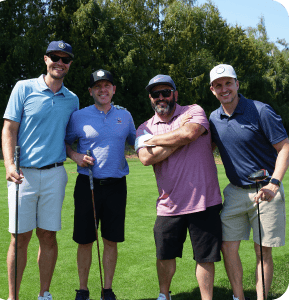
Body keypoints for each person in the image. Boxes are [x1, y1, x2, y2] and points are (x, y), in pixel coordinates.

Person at [2, 41, 79, 300]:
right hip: (23, 174)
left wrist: (76, 155)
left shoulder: (72, 99)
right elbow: (9, 129)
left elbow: (67, 139)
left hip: (55, 174)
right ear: (46, 59)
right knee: (20, 238)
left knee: (47, 236)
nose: (60, 62)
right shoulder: (23, 88)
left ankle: (44, 293)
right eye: (55, 57)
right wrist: (9, 165)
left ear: (69, 64)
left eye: (65, 58)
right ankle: (14, 297)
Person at [135, 74, 223, 300]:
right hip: (168, 204)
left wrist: (155, 140)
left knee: (205, 257)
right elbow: (145, 158)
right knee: (165, 255)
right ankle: (164, 295)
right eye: (156, 94)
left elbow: (190, 132)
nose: (161, 97)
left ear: (175, 93)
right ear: (150, 98)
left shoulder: (193, 111)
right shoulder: (144, 127)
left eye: (166, 92)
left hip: (203, 200)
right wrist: (180, 139)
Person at [209, 64, 289, 300]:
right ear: (212, 90)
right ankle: (238, 297)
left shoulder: (261, 111)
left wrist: (274, 183)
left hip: (266, 190)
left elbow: (284, 147)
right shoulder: (213, 118)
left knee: (262, 251)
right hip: (234, 192)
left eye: (228, 83)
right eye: (218, 85)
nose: (224, 89)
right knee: (227, 247)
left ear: (237, 84)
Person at [65, 69, 136, 300]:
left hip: (116, 185)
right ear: (90, 91)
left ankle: (107, 289)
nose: (103, 90)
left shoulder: (125, 116)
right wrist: (75, 156)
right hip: (88, 184)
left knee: (111, 239)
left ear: (113, 89)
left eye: (107, 86)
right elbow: (65, 143)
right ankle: (83, 289)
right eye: (98, 86)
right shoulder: (79, 116)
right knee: (85, 239)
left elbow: (139, 142)